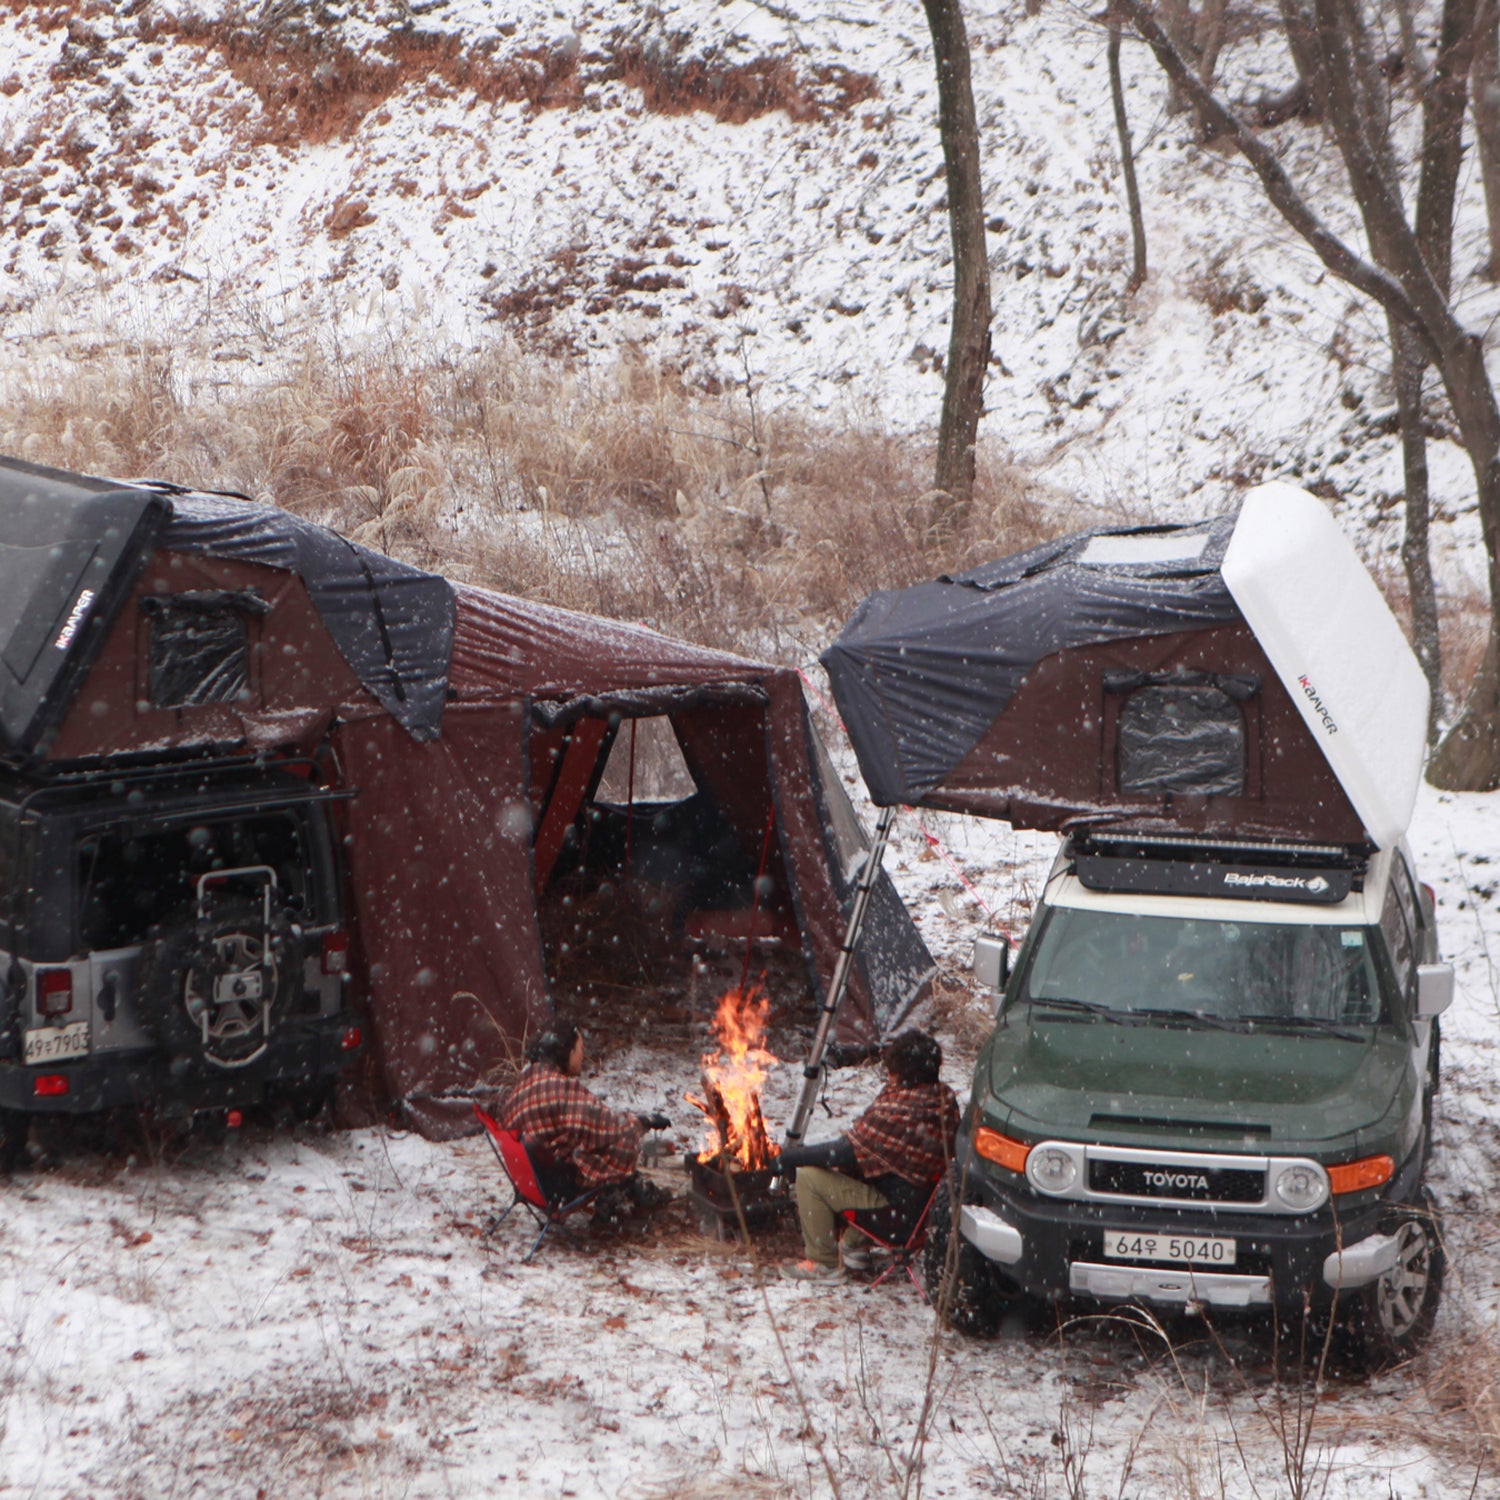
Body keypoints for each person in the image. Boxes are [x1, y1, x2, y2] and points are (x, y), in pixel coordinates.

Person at [774, 1029, 960, 1281]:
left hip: (896, 1218)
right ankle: (854, 1246)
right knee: (865, 1164)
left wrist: (788, 1157)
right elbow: (870, 1150)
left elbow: (843, 1152)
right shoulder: (943, 1098)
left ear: (901, 1072)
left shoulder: (900, 1109)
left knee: (809, 1176)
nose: (889, 1076)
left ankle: (823, 1263)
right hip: (923, 1213)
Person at [497, 1025, 672, 1220]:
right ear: (567, 1051)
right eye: (580, 1049)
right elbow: (606, 1125)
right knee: (621, 1142)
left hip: (533, 1179)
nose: (583, 1055)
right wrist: (642, 1122)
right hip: (557, 1182)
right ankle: (620, 1195)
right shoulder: (560, 1088)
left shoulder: (526, 1082)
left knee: (592, 1140)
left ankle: (627, 1189)